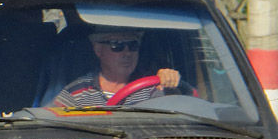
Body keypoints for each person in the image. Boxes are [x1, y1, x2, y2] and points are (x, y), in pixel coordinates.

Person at [50, 28, 181, 107]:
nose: (127, 52)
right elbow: (52, 126)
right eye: (117, 45)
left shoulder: (152, 89)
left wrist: (171, 82)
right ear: (99, 50)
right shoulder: (76, 94)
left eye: (133, 45)